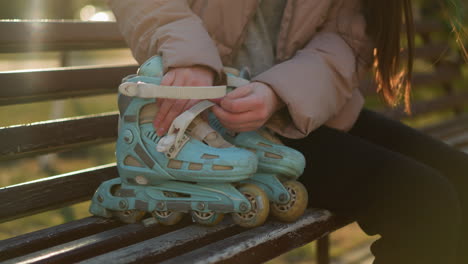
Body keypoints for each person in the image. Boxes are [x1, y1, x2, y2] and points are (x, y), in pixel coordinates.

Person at [108, 0, 468, 263]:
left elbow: (344, 41)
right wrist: (188, 56)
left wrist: (278, 92)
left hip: (298, 109)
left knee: (461, 181)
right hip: (207, 124)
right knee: (423, 203)